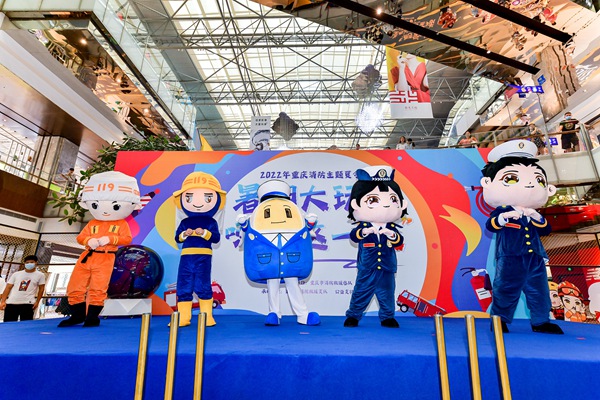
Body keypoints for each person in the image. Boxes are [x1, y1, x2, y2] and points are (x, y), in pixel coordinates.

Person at [480, 140, 563, 334]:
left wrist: (537, 217)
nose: (529, 184)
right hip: (510, 258)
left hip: (535, 258)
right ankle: (499, 321)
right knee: (505, 290)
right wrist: (504, 217)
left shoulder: (533, 213)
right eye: (511, 178)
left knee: (539, 290)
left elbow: (546, 229)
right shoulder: (503, 211)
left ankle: (541, 321)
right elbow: (491, 225)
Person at [57, 171, 141, 328]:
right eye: (95, 204)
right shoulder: (92, 223)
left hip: (106, 257)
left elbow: (127, 238)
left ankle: (92, 317)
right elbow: (81, 237)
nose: (105, 210)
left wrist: (111, 239)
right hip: (87, 256)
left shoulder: (121, 223)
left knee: (98, 287)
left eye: (115, 205)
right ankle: (77, 315)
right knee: (75, 286)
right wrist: (88, 240)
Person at [237, 180, 320, 326]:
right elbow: (247, 231)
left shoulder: (296, 212)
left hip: (289, 259)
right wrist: (244, 224)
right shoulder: (257, 214)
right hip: (270, 260)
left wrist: (310, 224)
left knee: (292, 282)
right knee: (272, 284)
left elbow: (307, 230)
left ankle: (303, 314)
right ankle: (274, 313)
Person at [344, 166, 408, 328]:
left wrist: (392, 235)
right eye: (373, 200)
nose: (386, 206)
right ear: (355, 204)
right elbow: (354, 236)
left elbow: (399, 241)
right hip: (367, 267)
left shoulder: (392, 228)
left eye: (392, 200)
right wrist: (364, 232)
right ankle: (353, 316)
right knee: (361, 291)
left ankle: (387, 317)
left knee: (387, 293)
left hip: (387, 267)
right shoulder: (363, 227)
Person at [172, 172, 226, 327]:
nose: (197, 202)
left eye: (207, 197)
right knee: (184, 285)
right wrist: (185, 234)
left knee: (203, 284)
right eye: (189, 197)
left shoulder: (211, 221)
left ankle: (207, 316)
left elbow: (216, 238)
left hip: (203, 257)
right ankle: (183, 317)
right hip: (186, 257)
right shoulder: (185, 222)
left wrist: (204, 233)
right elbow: (177, 238)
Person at [0, 255, 46, 322]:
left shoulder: (40, 275)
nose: (29, 264)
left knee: (26, 324)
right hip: (12, 302)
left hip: (28, 303)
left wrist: (37, 302)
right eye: (27, 262)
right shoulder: (16, 274)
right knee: (8, 324)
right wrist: (3, 301)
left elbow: (41, 289)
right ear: (24, 263)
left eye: (31, 262)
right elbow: (8, 288)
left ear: (36, 263)